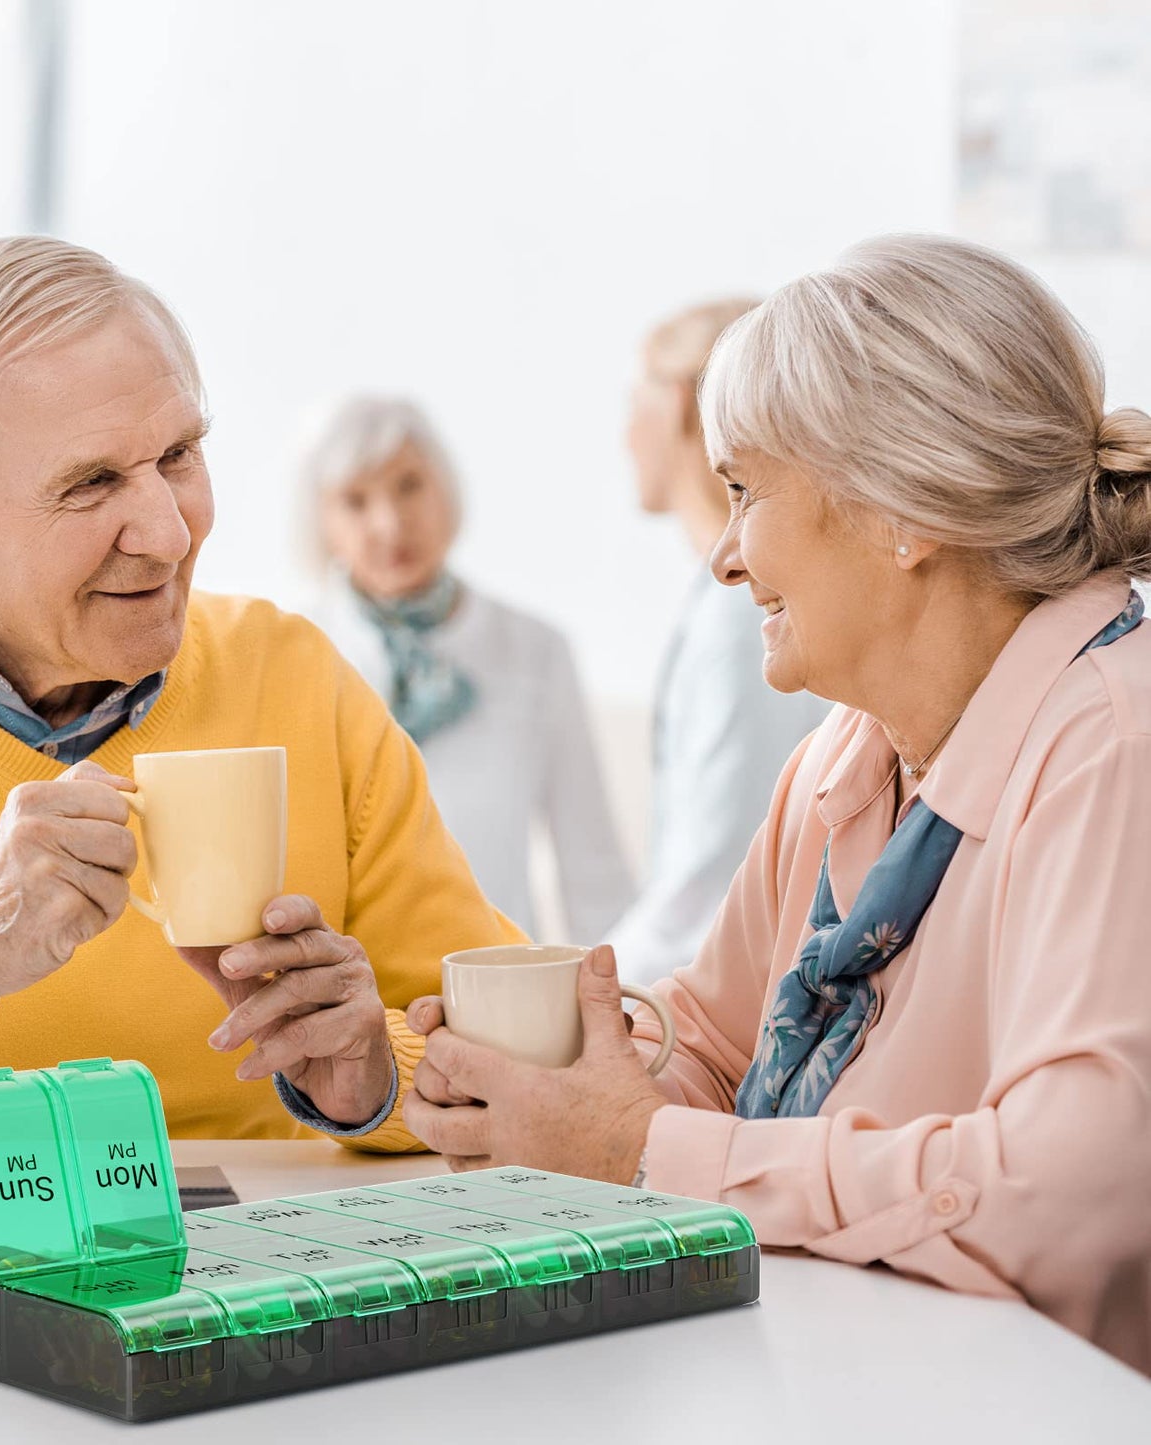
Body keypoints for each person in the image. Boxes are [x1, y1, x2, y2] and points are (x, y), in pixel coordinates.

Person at [396, 235, 1151, 1371]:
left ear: (905, 507)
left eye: (744, 490)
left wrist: (646, 1150)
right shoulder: (843, 757)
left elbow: (1070, 1190)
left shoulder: (1112, 742)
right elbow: (709, 1047)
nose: (724, 558)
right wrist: (545, 1090)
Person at [0, 236, 521, 1147]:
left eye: (178, 454)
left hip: (238, 1272)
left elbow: (501, 1057)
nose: (170, 534)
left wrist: (373, 1081)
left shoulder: (294, 676)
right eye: (92, 483)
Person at [302, 396, 632, 942]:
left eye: (409, 485)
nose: (390, 523)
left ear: (445, 487)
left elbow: (593, 870)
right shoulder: (300, 651)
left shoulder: (536, 650)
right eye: (356, 501)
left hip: (498, 986)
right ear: (322, 522)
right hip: (349, 994)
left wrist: (626, 1011)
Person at [607, 301, 831, 986]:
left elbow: (710, 880)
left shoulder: (744, 614)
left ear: (678, 404)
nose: (623, 435)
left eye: (630, 404)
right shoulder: (733, 601)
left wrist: (573, 999)